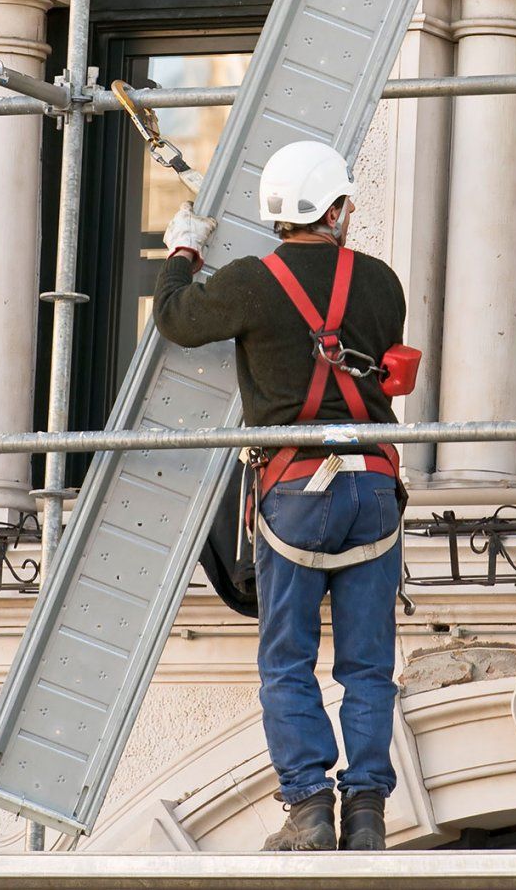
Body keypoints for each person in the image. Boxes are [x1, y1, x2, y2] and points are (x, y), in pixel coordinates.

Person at [153, 140, 406, 852]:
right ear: (335, 209)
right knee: (367, 663)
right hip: (372, 487)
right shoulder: (382, 283)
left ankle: (309, 807)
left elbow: (176, 319)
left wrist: (182, 252)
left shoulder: (249, 282)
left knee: (289, 659)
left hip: (294, 491)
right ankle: (365, 812)